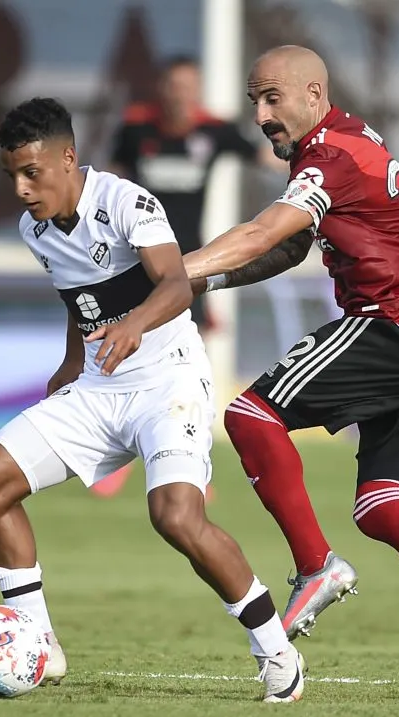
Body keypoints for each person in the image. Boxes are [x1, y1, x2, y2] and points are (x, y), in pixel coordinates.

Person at [183, 46, 399, 687]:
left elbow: (263, 232)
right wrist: (202, 285)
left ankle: (315, 566)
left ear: (314, 94)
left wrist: (173, 272)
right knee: (380, 505)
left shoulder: (331, 154)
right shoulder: (344, 144)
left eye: (271, 98)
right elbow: (285, 251)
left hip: (396, 329)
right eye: (254, 101)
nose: (260, 114)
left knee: (249, 414)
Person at [0, 97, 305, 703]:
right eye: (11, 175)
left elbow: (175, 283)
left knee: (175, 517)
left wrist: (135, 323)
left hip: (167, 382)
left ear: (68, 158)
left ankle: (277, 652)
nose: (21, 188)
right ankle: (39, 641)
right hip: (97, 387)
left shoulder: (126, 201)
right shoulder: (33, 229)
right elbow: (79, 300)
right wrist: (68, 366)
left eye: (31, 172)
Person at [93, 55, 282, 498]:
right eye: (174, 85)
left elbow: (267, 158)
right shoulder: (138, 129)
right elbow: (108, 181)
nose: (181, 94)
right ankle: (115, 458)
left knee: (183, 358)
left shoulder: (213, 131)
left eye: (189, 86)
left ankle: (188, 459)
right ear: (162, 88)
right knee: (124, 352)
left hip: (188, 267)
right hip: (134, 263)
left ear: (197, 91)